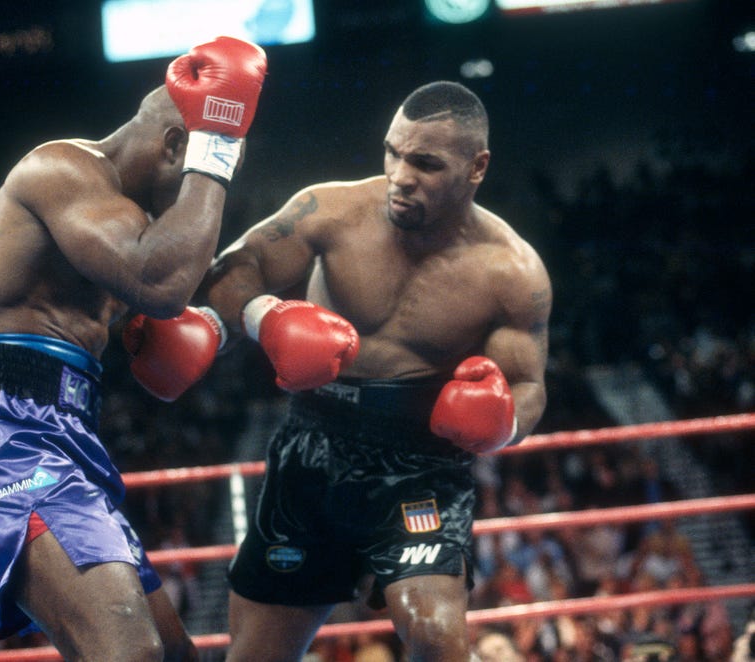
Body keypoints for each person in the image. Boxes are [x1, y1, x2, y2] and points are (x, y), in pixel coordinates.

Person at [127, 80, 551, 660]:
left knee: (435, 637)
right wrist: (257, 319)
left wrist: (501, 422)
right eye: (393, 152)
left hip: (421, 463)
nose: (402, 175)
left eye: (425, 163)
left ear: (476, 167)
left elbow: (528, 385)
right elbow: (240, 267)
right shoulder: (330, 210)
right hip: (313, 447)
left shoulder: (512, 272)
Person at [0, 36, 267, 661]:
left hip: (68, 427)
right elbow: (161, 285)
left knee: (172, 652)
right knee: (126, 649)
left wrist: (255, 318)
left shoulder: (124, 223)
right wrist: (220, 148)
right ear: (174, 148)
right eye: (204, 173)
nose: (208, 194)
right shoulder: (62, 170)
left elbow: (201, 283)